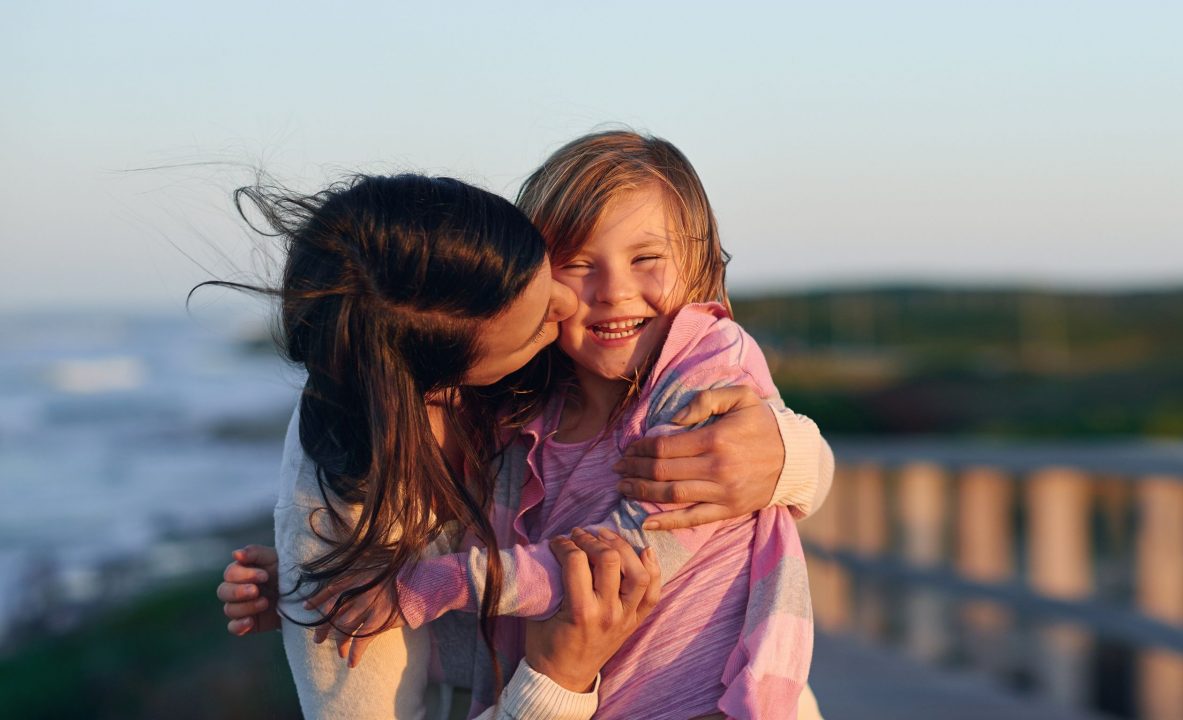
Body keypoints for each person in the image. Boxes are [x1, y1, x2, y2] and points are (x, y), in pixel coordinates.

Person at [215, 167, 830, 719]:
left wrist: (790, 457)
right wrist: (553, 676)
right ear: (446, 379)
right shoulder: (349, 501)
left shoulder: (649, 378)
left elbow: (640, 539)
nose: (579, 301)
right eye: (539, 314)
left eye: (537, 270)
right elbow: (486, 643)